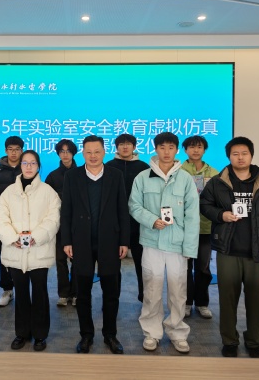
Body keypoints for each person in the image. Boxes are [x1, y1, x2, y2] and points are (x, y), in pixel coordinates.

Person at [200, 136, 259, 358]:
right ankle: (229, 341)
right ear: (229, 156)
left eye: (244, 153)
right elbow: (205, 205)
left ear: (251, 156)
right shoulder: (218, 182)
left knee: (256, 300)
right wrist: (221, 215)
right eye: (235, 154)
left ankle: (254, 342)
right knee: (227, 299)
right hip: (228, 251)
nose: (240, 157)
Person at [129, 132, 199, 354]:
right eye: (162, 147)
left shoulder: (185, 179)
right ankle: (151, 333)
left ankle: (178, 332)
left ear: (176, 150)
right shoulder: (142, 177)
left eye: (170, 147)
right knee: (152, 289)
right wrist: (152, 220)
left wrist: (189, 248)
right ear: (155, 149)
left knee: (178, 292)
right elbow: (134, 206)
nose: (166, 152)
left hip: (178, 245)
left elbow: (192, 216)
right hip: (152, 242)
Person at [61, 135, 130, 355]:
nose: (93, 156)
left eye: (97, 151)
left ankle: (110, 335)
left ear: (104, 152)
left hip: (110, 241)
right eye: (88, 152)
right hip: (80, 241)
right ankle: (86, 335)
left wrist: (124, 241)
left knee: (111, 292)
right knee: (82, 293)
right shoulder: (72, 176)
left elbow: (122, 209)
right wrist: (67, 240)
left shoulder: (115, 175)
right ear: (83, 153)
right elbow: (66, 211)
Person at [0, 150, 60, 351]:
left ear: (39, 166)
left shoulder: (48, 192)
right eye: (25, 163)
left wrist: (36, 236)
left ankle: (40, 334)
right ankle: (22, 333)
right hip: (15, 251)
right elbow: (1, 219)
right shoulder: (8, 192)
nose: (29, 166)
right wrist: (12, 238)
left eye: (33, 163)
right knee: (21, 293)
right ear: (20, 165)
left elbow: (53, 219)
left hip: (39, 250)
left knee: (40, 293)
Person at [106, 133, 150, 303]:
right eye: (121, 144)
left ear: (134, 146)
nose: (125, 147)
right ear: (116, 147)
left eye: (128, 144)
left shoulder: (144, 167)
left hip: (138, 223)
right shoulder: (108, 166)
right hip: (114, 223)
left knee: (142, 263)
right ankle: (112, 300)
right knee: (112, 265)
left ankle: (145, 298)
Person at [180, 135, 219, 319]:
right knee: (185, 268)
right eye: (192, 147)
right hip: (184, 227)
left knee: (203, 268)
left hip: (205, 227)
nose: (195, 150)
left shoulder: (214, 173)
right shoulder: (178, 171)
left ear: (204, 149)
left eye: (199, 147)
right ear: (185, 150)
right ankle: (187, 303)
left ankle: (202, 303)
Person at [0, 136, 24, 307]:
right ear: (5, 150)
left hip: (24, 221)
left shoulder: (27, 168)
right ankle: (7, 290)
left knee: (24, 254)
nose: (14, 153)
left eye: (17, 149)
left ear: (21, 151)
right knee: (5, 255)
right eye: (10, 149)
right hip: (4, 222)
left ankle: (23, 290)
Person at [45, 139, 78, 307]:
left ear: (73, 153)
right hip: (58, 224)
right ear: (58, 153)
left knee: (77, 260)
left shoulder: (82, 173)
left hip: (78, 224)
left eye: (68, 151)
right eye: (62, 151)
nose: (65, 154)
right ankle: (64, 294)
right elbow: (45, 200)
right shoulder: (52, 176)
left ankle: (76, 293)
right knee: (60, 260)